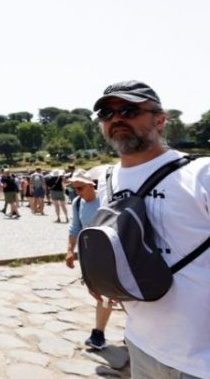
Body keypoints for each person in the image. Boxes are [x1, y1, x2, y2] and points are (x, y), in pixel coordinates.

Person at [92, 80, 210, 378]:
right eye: (107, 113)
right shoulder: (108, 180)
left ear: (160, 120)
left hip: (201, 356)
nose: (116, 118)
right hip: (142, 343)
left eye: (129, 110)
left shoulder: (201, 175)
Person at [64, 169, 113, 351]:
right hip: (90, 256)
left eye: (80, 188)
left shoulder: (106, 200)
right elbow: (75, 227)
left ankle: (100, 334)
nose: (77, 192)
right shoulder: (77, 203)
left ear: (92, 185)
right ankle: (104, 333)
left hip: (111, 255)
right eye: (75, 189)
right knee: (105, 294)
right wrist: (70, 250)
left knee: (111, 294)